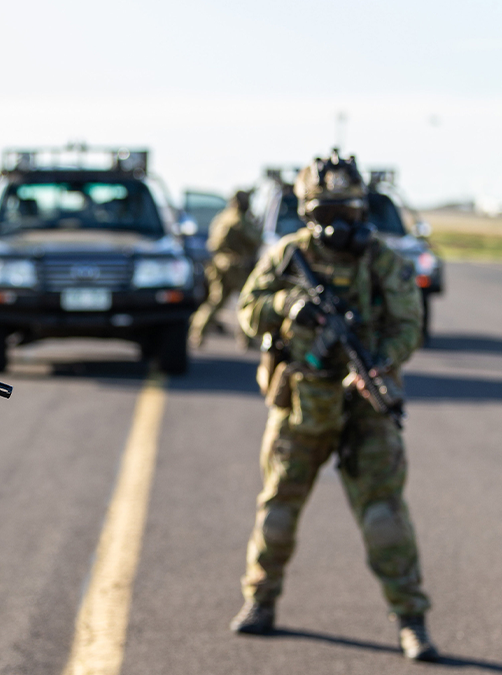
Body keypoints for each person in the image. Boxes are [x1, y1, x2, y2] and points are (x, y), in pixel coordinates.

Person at [229, 151, 437, 662]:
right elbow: (247, 312)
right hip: (302, 403)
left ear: (362, 211)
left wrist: (380, 364)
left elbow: (409, 326)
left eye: (346, 213)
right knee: (278, 510)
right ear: (306, 214)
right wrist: (287, 306)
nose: (337, 226)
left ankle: (411, 619)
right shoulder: (285, 256)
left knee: (386, 518)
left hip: (365, 406)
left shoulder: (383, 261)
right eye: (325, 214)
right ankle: (260, 601)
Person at [189, 189, 261, 348]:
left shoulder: (223, 217)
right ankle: (245, 338)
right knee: (245, 300)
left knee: (216, 300)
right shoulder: (238, 219)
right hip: (235, 266)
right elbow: (255, 238)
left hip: (219, 263)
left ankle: (197, 332)